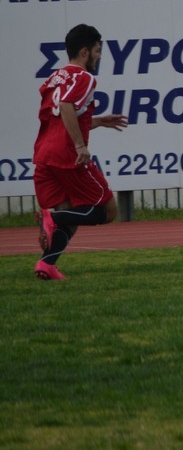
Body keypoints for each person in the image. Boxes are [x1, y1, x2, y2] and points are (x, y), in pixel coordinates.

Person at [32, 24, 128, 280]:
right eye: (97, 51)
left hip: (45, 154)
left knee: (70, 216)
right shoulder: (84, 77)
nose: (99, 56)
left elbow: (60, 116)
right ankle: (51, 218)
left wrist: (97, 121)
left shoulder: (56, 77)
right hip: (67, 155)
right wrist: (80, 145)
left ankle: (46, 265)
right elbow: (66, 106)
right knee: (107, 210)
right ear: (85, 52)